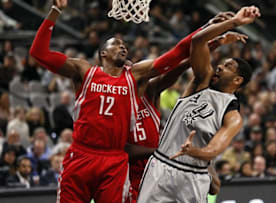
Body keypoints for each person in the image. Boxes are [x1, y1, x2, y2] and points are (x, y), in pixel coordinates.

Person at [29, 0, 213, 202]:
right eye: (116, 44)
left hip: (114, 159)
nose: (122, 46)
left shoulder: (134, 76)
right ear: (103, 53)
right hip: (81, 154)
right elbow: (39, 53)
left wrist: (206, 30)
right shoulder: (84, 71)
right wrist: (55, 11)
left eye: (124, 45)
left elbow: (174, 55)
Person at [137, 6, 260, 203]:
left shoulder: (232, 115)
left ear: (237, 81)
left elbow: (213, 150)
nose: (220, 66)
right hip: (161, 165)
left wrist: (192, 151)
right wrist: (232, 23)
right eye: (222, 63)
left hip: (193, 176)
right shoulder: (201, 81)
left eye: (228, 67)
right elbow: (197, 41)